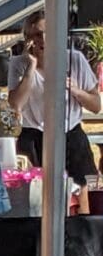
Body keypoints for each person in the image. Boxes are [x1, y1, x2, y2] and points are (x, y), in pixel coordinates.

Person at [10, 10, 101, 193]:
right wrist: (31, 67)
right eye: (37, 35)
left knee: (89, 190)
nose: (43, 39)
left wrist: (76, 91)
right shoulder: (18, 63)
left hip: (72, 135)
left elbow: (96, 106)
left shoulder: (75, 60)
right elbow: (15, 104)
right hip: (34, 137)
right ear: (28, 39)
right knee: (38, 194)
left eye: (48, 33)